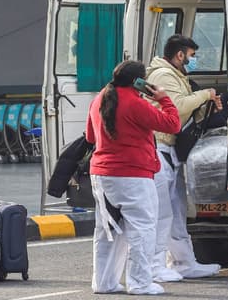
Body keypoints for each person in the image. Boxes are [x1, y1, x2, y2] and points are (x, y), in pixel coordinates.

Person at [86, 60, 180, 295]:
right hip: (133, 176)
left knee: (107, 230)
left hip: (101, 176)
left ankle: (104, 283)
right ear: (138, 81)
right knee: (142, 229)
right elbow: (172, 124)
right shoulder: (136, 103)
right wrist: (163, 99)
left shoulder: (99, 99)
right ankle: (139, 283)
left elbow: (90, 136)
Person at [146, 35, 223, 282]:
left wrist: (208, 105)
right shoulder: (162, 75)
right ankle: (155, 266)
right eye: (192, 55)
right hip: (159, 149)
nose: (194, 60)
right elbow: (177, 106)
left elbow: (184, 113)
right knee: (162, 213)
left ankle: (184, 263)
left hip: (170, 151)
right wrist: (206, 94)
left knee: (176, 212)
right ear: (180, 55)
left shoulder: (177, 76)